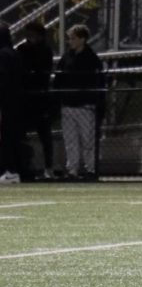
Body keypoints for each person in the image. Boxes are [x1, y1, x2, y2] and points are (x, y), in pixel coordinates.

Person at [53, 24, 104, 180]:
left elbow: (98, 81)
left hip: (85, 105)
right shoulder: (67, 57)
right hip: (68, 104)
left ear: (82, 39)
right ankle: (72, 170)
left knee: (88, 140)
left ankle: (90, 169)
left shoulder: (91, 58)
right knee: (71, 140)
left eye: (73, 38)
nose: (70, 42)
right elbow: (59, 77)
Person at [18, 20, 54, 179]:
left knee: (45, 136)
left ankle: (48, 167)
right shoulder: (22, 49)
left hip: (40, 99)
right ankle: (25, 166)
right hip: (26, 99)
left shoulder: (45, 50)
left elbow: (42, 72)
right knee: (21, 136)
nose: (30, 38)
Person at [0, 21, 25, 184]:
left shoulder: (3, 54)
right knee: (10, 137)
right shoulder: (13, 53)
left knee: (4, 137)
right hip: (15, 102)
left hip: (4, 102)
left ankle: (8, 170)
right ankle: (12, 170)